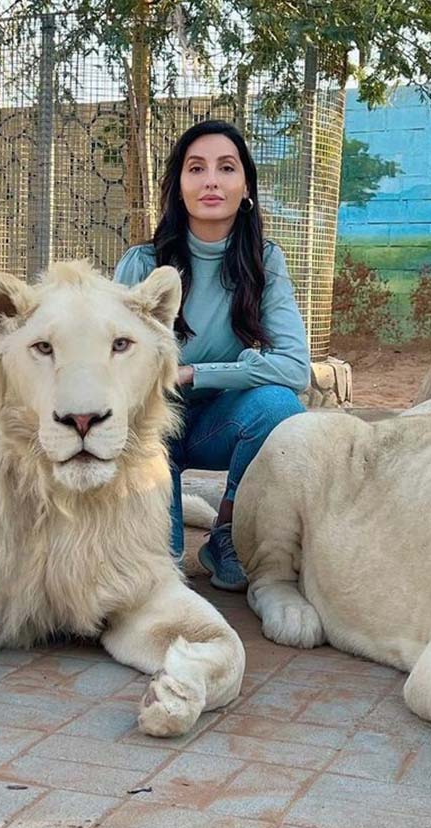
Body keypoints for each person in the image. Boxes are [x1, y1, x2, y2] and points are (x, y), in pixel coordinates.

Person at [115, 119, 310, 591]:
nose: (210, 181)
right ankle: (157, 526)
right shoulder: (143, 263)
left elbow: (295, 365)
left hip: (216, 424)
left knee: (280, 407)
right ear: (178, 186)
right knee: (160, 576)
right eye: (195, 168)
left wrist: (194, 373)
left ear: (245, 187)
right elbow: (113, 359)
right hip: (148, 426)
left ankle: (226, 532)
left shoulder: (264, 261)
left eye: (226, 168)